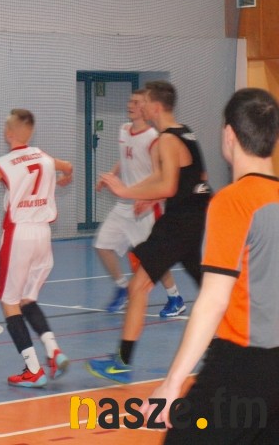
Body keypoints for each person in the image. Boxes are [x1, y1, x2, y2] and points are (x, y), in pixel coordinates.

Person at [143, 88, 279, 443]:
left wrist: (172, 383)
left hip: (241, 366)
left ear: (229, 134)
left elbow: (214, 300)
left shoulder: (232, 202)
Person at [87, 80, 212, 384]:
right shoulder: (186, 132)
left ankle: (122, 363)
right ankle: (230, 341)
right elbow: (192, 178)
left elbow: (168, 185)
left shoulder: (167, 139)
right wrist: (148, 196)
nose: (138, 107)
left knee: (138, 287)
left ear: (155, 107)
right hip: (193, 220)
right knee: (208, 287)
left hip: (178, 224)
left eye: (143, 103)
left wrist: (125, 191)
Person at [0, 109, 73, 387]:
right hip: (43, 234)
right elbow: (68, 166)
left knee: (9, 301)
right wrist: (64, 178)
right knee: (27, 299)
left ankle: (33, 369)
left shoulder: (4, 163)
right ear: (31, 132)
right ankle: (53, 349)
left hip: (19, 235)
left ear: (8, 133)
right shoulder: (44, 157)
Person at [94, 90, 185, 317]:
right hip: (124, 204)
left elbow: (158, 173)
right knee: (102, 245)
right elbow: (125, 158)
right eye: (130, 100)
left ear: (145, 107)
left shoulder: (154, 138)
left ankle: (175, 298)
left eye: (136, 102)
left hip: (145, 208)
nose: (130, 105)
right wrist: (111, 176)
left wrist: (147, 197)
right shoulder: (124, 130)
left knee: (152, 257)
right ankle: (122, 287)